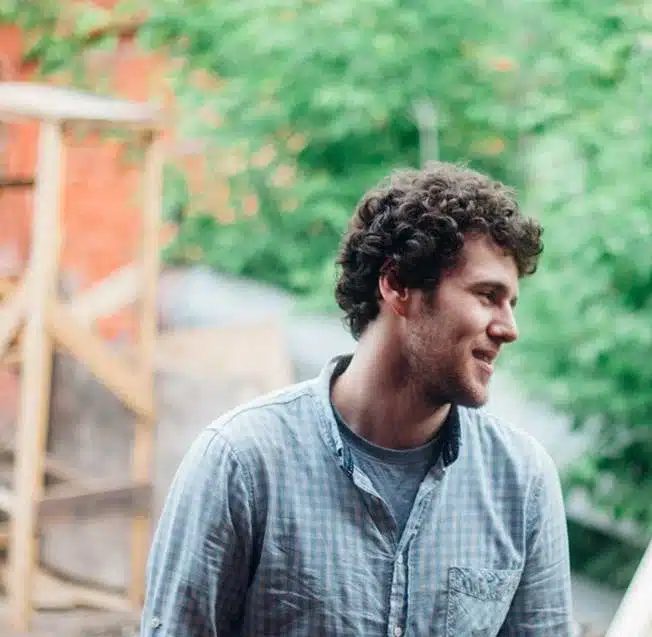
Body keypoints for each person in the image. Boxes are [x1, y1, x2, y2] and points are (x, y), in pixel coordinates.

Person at [139, 161, 576, 636]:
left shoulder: (522, 482)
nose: (509, 328)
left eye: (512, 303)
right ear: (397, 284)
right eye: (487, 295)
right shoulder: (242, 462)